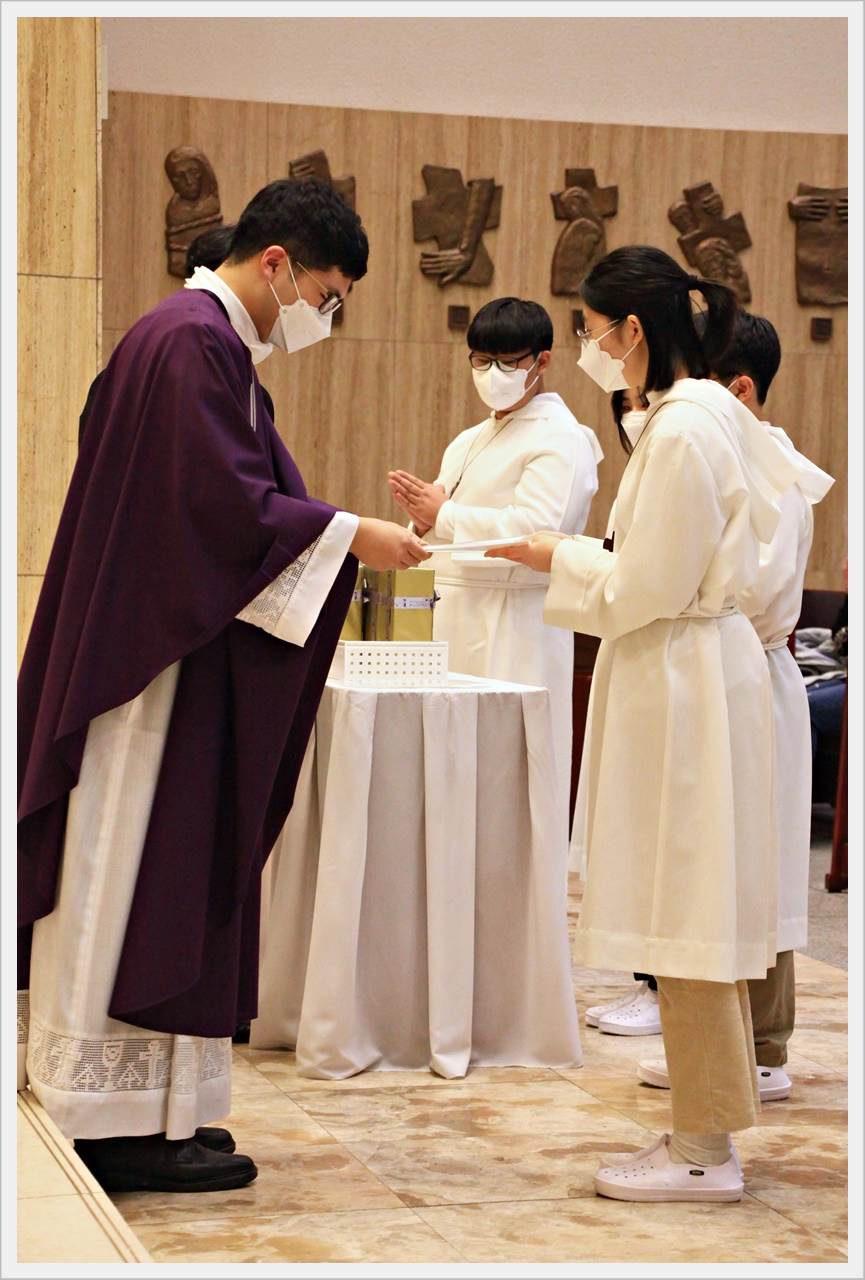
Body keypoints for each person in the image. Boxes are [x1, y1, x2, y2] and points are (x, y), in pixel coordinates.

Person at [18, 179, 429, 1194]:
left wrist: (325, 529)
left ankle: (157, 1110)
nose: (321, 319)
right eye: (326, 297)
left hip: (172, 651)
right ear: (276, 262)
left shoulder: (204, 345)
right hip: (150, 671)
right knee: (131, 867)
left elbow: (230, 500)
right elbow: (216, 509)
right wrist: (351, 535)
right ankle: (107, 1116)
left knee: (155, 867)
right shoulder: (189, 344)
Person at [488, 245, 822, 1203]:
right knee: (690, 909)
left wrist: (556, 555)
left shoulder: (682, 429)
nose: (589, 347)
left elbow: (648, 584)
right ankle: (702, 1132)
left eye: (592, 331)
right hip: (693, 672)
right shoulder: (702, 412)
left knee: (687, 915)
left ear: (633, 330)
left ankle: (702, 1151)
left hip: (684, 679)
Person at [634, 311, 833, 1097]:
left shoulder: (770, 471)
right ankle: (719, 1042)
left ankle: (762, 1047)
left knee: (755, 869)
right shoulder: (725, 456)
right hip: (715, 673)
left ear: (738, 389)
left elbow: (742, 593)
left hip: (747, 674)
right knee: (713, 866)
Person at [388, 297, 602, 832]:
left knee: (504, 781)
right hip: (454, 613)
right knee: (447, 774)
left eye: (508, 362)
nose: (492, 374)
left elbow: (535, 531)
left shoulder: (562, 438)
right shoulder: (470, 439)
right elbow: (441, 516)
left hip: (516, 623)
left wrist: (443, 513)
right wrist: (418, 524)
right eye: (481, 361)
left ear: (542, 361)